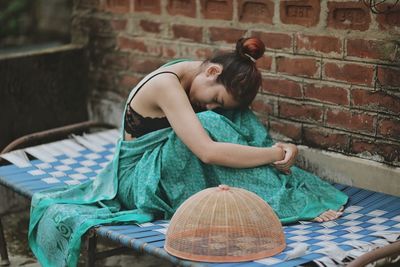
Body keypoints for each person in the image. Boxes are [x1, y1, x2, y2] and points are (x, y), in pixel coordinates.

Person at [28, 37, 348, 267]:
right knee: (208, 123)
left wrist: (281, 147)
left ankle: (280, 186)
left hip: (164, 168)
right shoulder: (166, 84)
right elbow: (207, 152)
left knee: (223, 120)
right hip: (136, 180)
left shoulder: (200, 77)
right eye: (216, 98)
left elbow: (244, 129)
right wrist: (273, 156)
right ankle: (281, 197)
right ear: (210, 72)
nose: (211, 105)